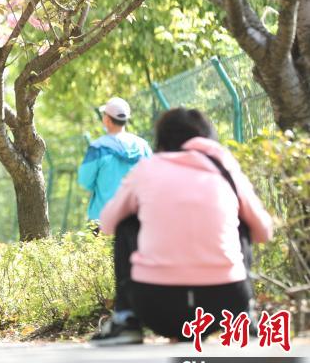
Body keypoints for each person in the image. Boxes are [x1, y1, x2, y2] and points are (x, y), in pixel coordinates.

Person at [90, 108, 273, 345]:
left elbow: (107, 224)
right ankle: (245, 316)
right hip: (225, 305)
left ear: (162, 140)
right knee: (243, 219)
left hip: (156, 306)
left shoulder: (147, 169)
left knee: (126, 221)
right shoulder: (225, 169)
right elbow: (264, 231)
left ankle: (127, 321)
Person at [78, 97, 152, 222]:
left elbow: (84, 181)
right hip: (135, 219)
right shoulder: (142, 146)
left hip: (102, 219)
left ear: (107, 120)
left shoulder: (98, 148)